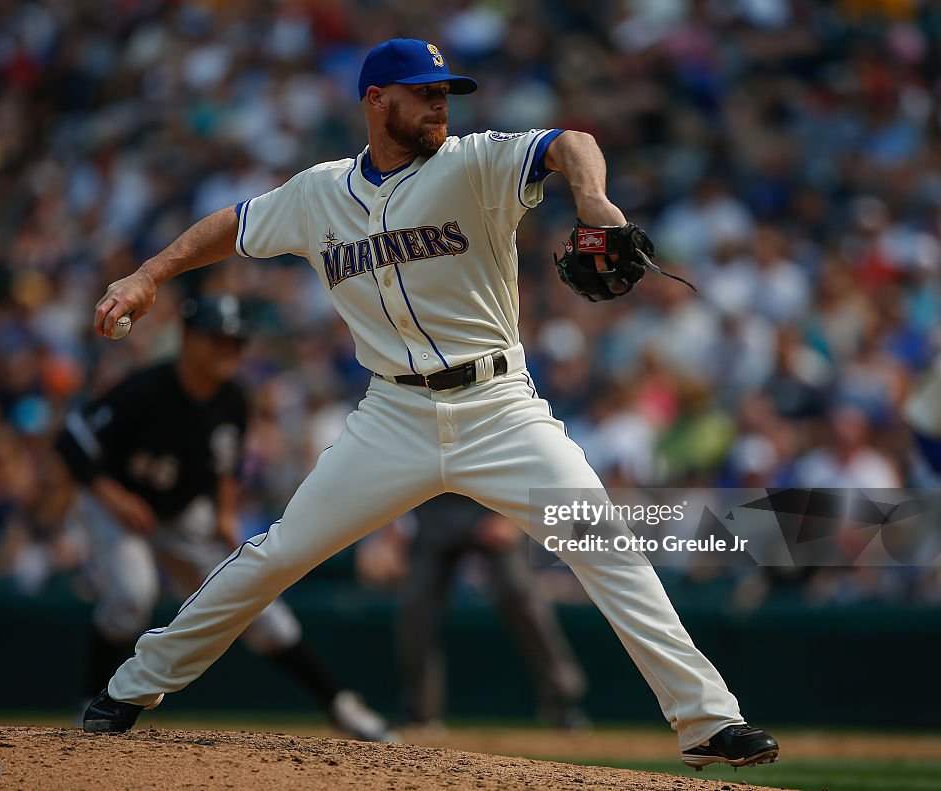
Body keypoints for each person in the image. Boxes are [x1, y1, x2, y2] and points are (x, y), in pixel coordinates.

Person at [84, 39, 779, 770]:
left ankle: (707, 720)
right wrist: (149, 272)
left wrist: (594, 197)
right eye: (426, 92)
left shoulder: (474, 162)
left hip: (499, 407)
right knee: (276, 554)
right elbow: (236, 223)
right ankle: (130, 688)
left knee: (605, 543)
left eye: (447, 91)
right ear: (378, 101)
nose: (442, 103)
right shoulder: (319, 192)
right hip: (392, 417)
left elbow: (572, 142)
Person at [59, 293, 395, 742]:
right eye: (216, 340)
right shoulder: (143, 389)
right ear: (188, 338)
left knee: (256, 601)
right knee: (131, 594)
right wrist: (116, 498)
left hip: (182, 516)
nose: (228, 351)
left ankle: (339, 704)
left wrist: (226, 511)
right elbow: (71, 443)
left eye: (235, 343)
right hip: (118, 511)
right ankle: (90, 704)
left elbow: (228, 465)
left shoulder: (234, 399)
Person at [360, 494, 589, 729]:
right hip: (433, 509)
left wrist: (514, 518)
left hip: (492, 503)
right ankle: (418, 713)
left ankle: (563, 704)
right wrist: (391, 530)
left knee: (518, 591)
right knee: (415, 603)